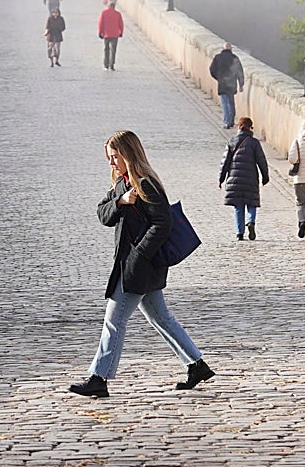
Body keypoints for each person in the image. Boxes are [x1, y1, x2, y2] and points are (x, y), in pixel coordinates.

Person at [68, 130, 215, 399]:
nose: (111, 163)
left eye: (115, 157)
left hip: (138, 267)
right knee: (161, 318)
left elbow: (163, 224)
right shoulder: (121, 186)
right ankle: (197, 365)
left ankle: (99, 378)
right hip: (138, 266)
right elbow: (103, 215)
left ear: (128, 155)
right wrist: (120, 202)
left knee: (114, 322)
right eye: (109, 158)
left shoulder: (146, 184)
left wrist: (139, 255)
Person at [219, 116, 269, 241]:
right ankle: (251, 222)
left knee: (238, 206)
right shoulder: (254, 143)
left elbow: (225, 162)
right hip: (250, 178)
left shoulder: (232, 141)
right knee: (251, 203)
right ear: (250, 127)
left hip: (235, 179)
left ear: (239, 127)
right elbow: (261, 161)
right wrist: (265, 176)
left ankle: (239, 232)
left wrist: (221, 178)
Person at [209, 43, 244, 129]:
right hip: (231, 84)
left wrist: (218, 78)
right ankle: (231, 121)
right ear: (231, 49)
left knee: (224, 103)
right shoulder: (234, 58)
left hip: (222, 84)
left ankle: (226, 122)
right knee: (231, 103)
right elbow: (239, 71)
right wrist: (241, 84)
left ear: (223, 48)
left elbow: (212, 69)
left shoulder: (218, 57)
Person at [97, 1, 124, 71]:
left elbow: (101, 23)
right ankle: (112, 64)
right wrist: (121, 32)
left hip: (106, 34)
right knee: (113, 50)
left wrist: (100, 32)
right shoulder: (118, 14)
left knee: (106, 49)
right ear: (114, 7)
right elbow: (121, 24)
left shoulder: (104, 13)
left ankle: (106, 64)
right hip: (115, 34)